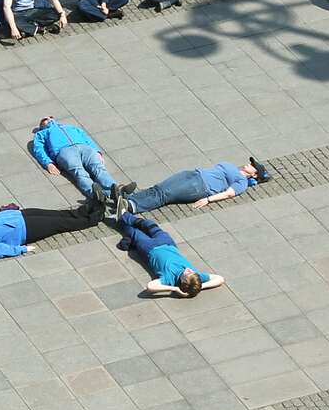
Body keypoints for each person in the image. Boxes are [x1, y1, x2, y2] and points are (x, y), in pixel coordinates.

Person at [0, 200, 108, 259]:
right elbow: (0, 250)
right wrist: (22, 249)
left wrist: (4, 211)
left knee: (57, 214)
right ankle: (93, 218)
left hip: (19, 216)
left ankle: (87, 209)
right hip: (26, 230)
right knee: (60, 224)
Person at [117, 213, 226, 298]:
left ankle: (121, 217)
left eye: (188, 273)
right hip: (167, 243)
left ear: (182, 282)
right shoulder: (196, 277)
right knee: (150, 225)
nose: (189, 270)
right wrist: (201, 287)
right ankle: (128, 216)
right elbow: (220, 279)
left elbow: (150, 286)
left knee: (132, 231)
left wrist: (174, 289)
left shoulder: (169, 279)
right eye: (191, 272)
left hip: (149, 249)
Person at [30, 117, 127, 206]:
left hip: (85, 148)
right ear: (42, 125)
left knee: (99, 168)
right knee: (80, 172)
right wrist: (48, 163)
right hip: (64, 151)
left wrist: (97, 151)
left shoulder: (70, 127)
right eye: (45, 119)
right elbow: (38, 149)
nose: (49, 118)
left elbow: (86, 138)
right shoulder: (42, 133)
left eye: (50, 117)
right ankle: (96, 194)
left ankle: (115, 190)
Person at [127, 159, 265, 213]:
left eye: (254, 166)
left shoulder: (242, 182)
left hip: (200, 186)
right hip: (194, 174)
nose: (250, 164)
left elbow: (228, 193)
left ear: (254, 175)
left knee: (165, 194)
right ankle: (131, 200)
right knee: (158, 188)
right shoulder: (234, 168)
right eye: (252, 163)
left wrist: (208, 200)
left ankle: (133, 207)